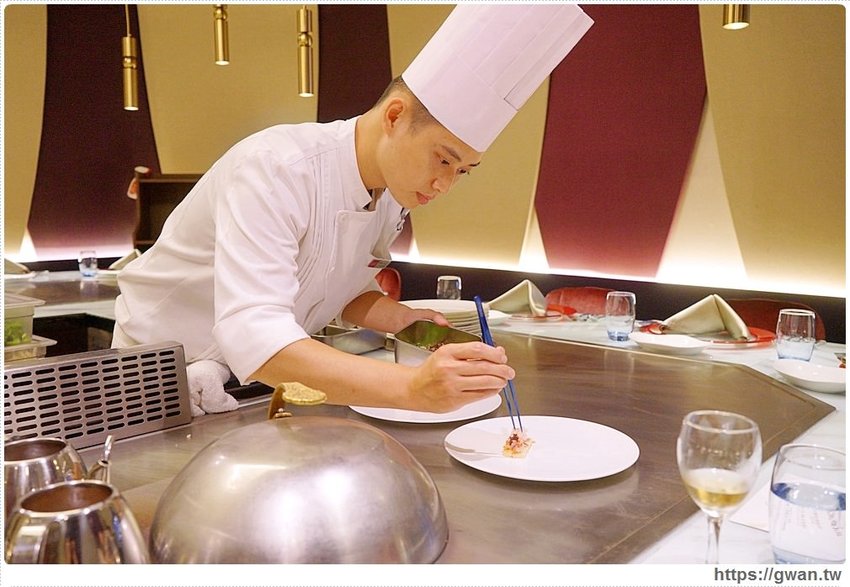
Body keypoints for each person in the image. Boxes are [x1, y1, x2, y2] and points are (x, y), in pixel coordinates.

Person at [113, 4, 593, 414]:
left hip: (245, 376)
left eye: (462, 171)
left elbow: (337, 287)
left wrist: (408, 322)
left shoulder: (390, 195)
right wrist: (413, 389)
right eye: (443, 159)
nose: (444, 184)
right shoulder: (277, 167)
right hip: (153, 371)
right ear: (395, 116)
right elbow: (254, 331)